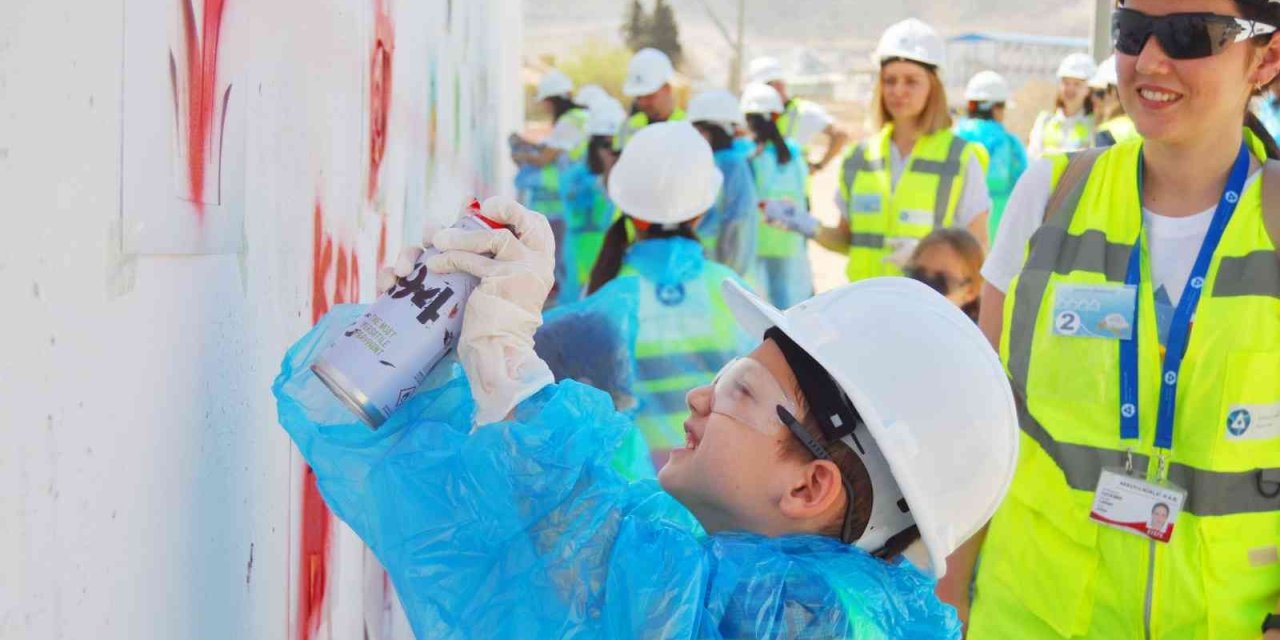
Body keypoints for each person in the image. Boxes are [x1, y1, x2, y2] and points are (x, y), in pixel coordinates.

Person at [275, 198, 1021, 638]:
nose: (701, 397)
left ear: (809, 487)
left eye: (740, 392)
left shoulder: (792, 618)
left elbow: (611, 561)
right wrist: (432, 368)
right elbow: (504, 543)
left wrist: (508, 362)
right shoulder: (761, 584)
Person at [940, 1, 1280, 637]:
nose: (1151, 59)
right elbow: (979, 427)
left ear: (1266, 57)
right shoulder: (1049, 198)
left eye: (1188, 34)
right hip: (1030, 618)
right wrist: (950, 595)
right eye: (1133, 32)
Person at [774, 18, 989, 284]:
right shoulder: (858, 158)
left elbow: (978, 249)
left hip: (927, 309)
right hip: (863, 306)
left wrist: (927, 259)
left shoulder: (960, 158)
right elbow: (849, 241)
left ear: (933, 86)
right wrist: (807, 225)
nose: (898, 90)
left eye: (911, 81)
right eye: (890, 80)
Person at [512, 69, 589, 303]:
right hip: (579, 196)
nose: (545, 108)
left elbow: (546, 157)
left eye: (546, 102)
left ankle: (554, 293)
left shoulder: (568, 122)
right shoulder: (582, 117)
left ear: (553, 100)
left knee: (556, 252)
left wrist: (522, 155)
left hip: (563, 196)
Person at [741, 83, 815, 308]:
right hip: (786, 237)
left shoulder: (747, 153)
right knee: (782, 297)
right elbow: (805, 193)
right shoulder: (793, 152)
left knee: (752, 297)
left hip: (754, 238)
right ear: (776, 115)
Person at [558, 97, 626, 301]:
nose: (611, 152)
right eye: (606, 144)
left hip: (612, 251)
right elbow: (575, 202)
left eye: (616, 146)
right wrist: (605, 174)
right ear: (593, 145)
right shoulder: (576, 175)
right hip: (581, 252)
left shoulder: (624, 176)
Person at [687, 90, 759, 279]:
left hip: (719, 272)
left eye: (699, 129)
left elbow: (737, 222)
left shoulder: (731, 164)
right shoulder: (707, 161)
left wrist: (729, 276)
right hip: (704, 269)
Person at [747, 56, 851, 178]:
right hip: (767, 191)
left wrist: (819, 166)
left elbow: (840, 135)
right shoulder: (753, 114)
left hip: (794, 192)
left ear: (780, 85)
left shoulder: (805, 111)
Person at [955, 70, 1029, 241]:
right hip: (996, 232)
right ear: (995, 108)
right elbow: (1024, 188)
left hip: (955, 232)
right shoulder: (1010, 144)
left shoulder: (951, 140)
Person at [903, 228, 984, 322]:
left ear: (970, 291)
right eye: (918, 275)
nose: (927, 288)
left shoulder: (976, 335)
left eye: (942, 280)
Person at [1027, 52, 1098, 157]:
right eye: (1066, 83)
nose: (1070, 89)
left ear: (1088, 89)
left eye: (1077, 84)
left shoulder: (1095, 124)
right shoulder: (1045, 121)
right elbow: (1033, 157)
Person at [616, 48, 686, 150]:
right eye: (638, 97)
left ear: (667, 88)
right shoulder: (627, 128)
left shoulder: (688, 127)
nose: (643, 102)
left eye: (649, 96)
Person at [1090, 55, 1140, 147]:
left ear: (1114, 92)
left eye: (1100, 93)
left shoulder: (1107, 131)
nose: (1095, 99)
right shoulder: (1148, 129)